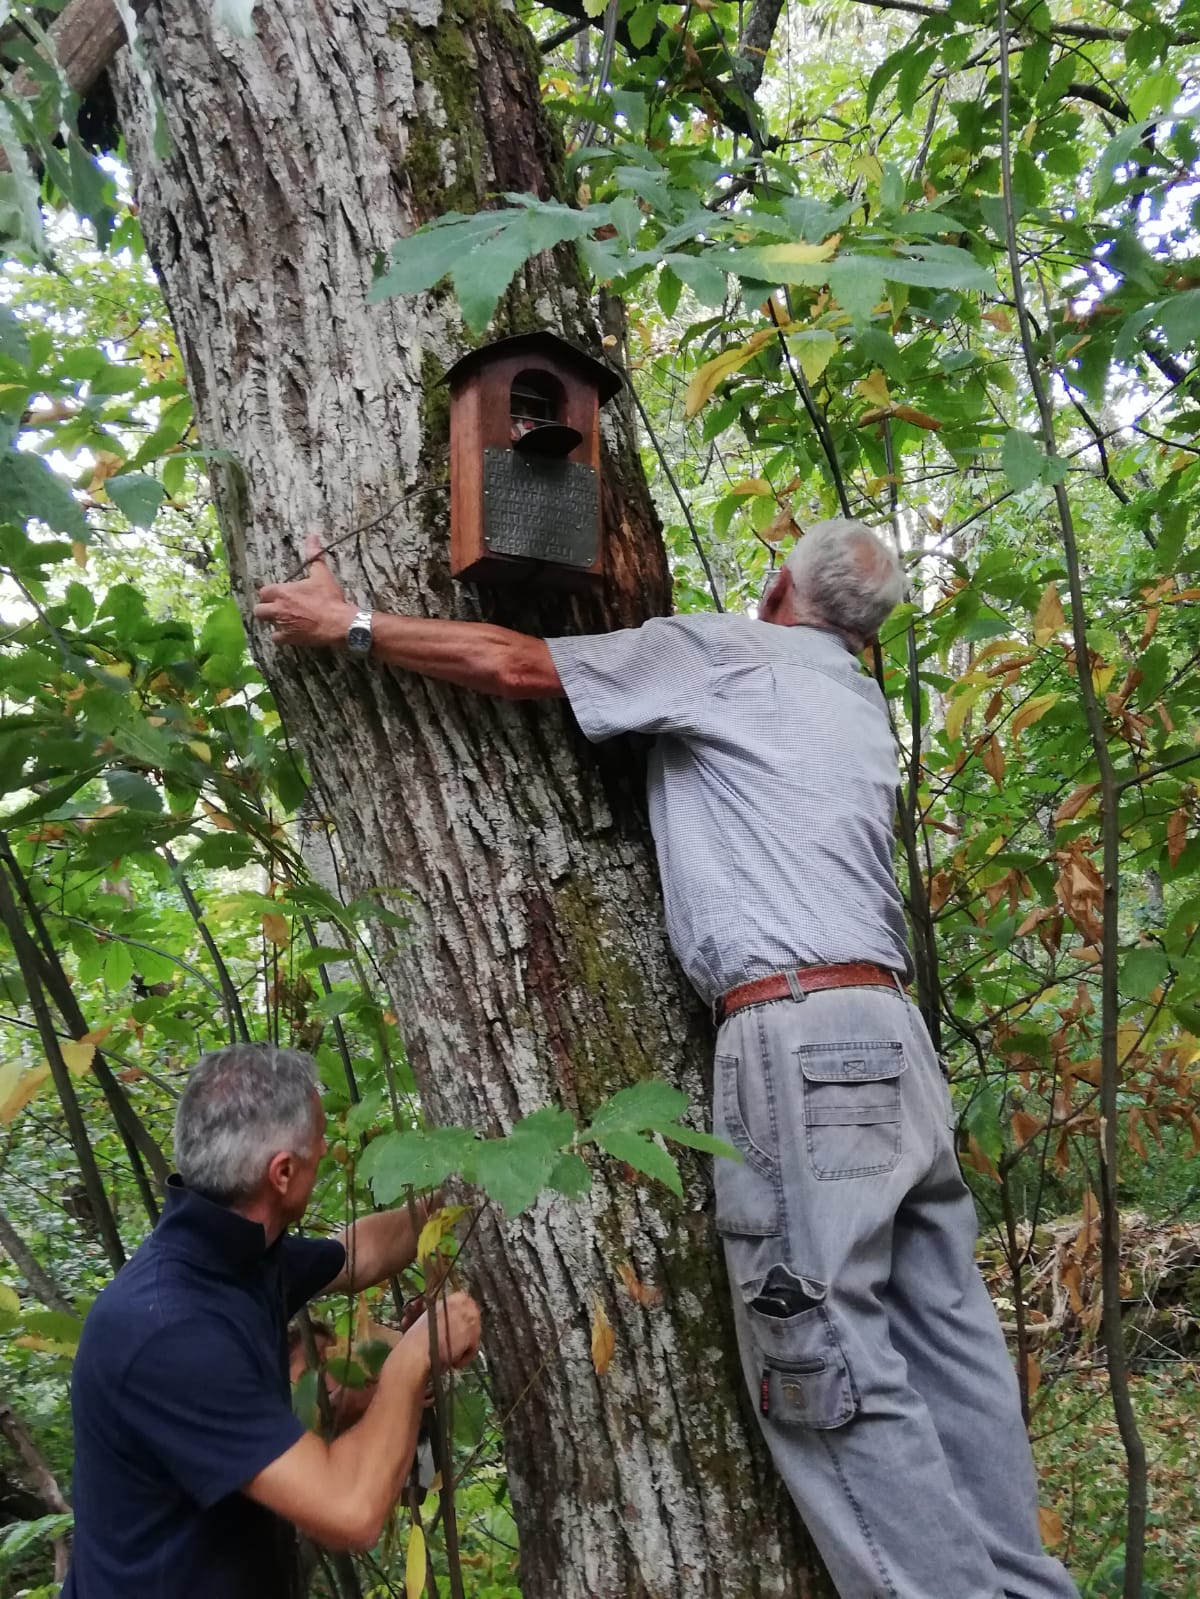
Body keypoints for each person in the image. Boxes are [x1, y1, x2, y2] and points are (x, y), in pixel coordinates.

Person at [255, 521, 1078, 1599]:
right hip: (895, 1041)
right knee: (949, 1342)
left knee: (819, 1357)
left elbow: (515, 664)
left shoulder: (727, 651)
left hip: (797, 1036)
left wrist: (351, 623)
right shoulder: (855, 699)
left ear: (776, 588)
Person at [64, 1043, 481, 1599]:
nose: (326, 1149)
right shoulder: (170, 1333)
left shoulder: (232, 1256)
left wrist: (441, 1207)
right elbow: (350, 1510)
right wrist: (413, 1358)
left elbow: (356, 1255)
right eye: (318, 1144)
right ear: (282, 1172)